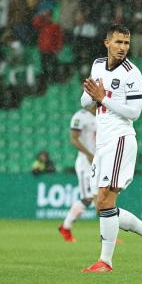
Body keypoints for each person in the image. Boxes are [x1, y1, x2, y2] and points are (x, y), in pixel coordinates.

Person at [80, 24, 142, 273]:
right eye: (118, 42)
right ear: (107, 43)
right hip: (103, 142)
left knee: (107, 200)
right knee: (102, 204)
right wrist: (90, 95)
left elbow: (135, 112)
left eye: (126, 43)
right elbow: (85, 100)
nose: (123, 48)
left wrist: (103, 97)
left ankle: (105, 262)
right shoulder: (97, 65)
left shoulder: (132, 73)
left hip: (120, 139)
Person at [59, 104, 97, 243]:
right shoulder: (80, 116)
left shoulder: (103, 115)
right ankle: (65, 227)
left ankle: (107, 235)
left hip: (99, 162)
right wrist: (88, 154)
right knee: (88, 198)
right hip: (85, 164)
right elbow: (74, 138)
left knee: (102, 197)